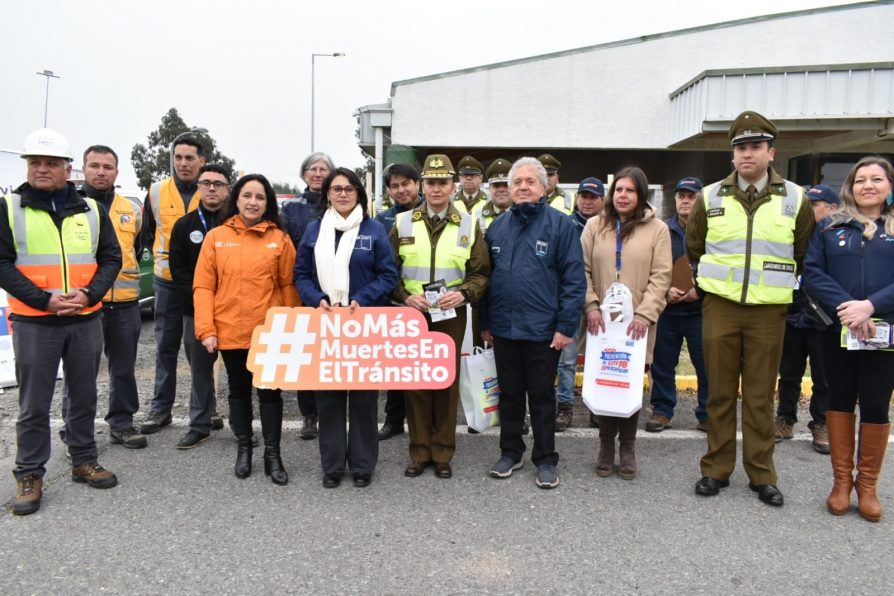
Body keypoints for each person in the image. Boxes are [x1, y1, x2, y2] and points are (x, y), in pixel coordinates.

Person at [687, 111, 815, 507]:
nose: (747, 154)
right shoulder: (709, 197)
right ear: (732, 155)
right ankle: (715, 470)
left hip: (768, 313)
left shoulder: (796, 198)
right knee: (720, 395)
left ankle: (762, 475)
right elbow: (695, 248)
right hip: (720, 307)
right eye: (740, 147)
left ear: (771, 151)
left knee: (760, 397)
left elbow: (802, 250)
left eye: (755, 146)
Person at [3, 129, 122, 516]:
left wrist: (89, 295)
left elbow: (110, 259)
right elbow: (3, 263)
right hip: (36, 319)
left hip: (85, 318)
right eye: (34, 162)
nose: (41, 169)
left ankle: (83, 459)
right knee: (34, 403)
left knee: (84, 395)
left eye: (50, 163)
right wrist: (44, 300)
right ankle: (30, 473)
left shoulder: (91, 210)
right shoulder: (10, 207)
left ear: (66, 169)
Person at [481, 157, 585, 489]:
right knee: (509, 394)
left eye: (530, 181)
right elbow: (486, 279)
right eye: (517, 182)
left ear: (543, 187)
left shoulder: (561, 225)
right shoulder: (497, 228)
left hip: (544, 331)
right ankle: (510, 452)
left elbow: (573, 280)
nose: (523, 187)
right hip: (504, 329)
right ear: (509, 189)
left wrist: (566, 327)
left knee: (542, 396)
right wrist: (486, 323)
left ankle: (545, 459)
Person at [803, 156, 894, 522]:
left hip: (884, 332)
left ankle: (867, 486)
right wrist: (848, 308)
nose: (867, 185)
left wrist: (870, 306)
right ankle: (841, 483)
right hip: (837, 331)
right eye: (860, 180)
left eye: (876, 179)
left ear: (889, 186)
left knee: (874, 405)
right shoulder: (828, 228)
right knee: (838, 400)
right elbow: (812, 273)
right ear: (850, 187)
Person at [194, 174, 300, 485]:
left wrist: (289, 327)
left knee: (270, 394)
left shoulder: (279, 239)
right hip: (229, 331)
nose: (253, 202)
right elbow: (203, 287)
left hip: (268, 332)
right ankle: (244, 448)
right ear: (236, 199)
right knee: (238, 393)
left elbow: (288, 286)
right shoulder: (216, 238)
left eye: (260, 197)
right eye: (247, 196)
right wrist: (206, 329)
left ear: (268, 203)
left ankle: (273, 454)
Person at [295, 168, 398, 488]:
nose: (342, 194)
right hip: (325, 322)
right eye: (336, 188)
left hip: (362, 322)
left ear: (359, 194)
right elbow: (300, 275)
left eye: (349, 189)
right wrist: (317, 299)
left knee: (364, 398)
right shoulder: (314, 230)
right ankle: (333, 465)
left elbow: (388, 276)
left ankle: (364, 464)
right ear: (326, 193)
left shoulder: (375, 229)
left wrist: (361, 300)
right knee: (328, 398)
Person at [391, 154, 490, 479]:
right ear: (422, 185)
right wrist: (406, 297)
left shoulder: (468, 224)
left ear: (453, 185)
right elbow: (388, 271)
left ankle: (443, 451)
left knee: (445, 382)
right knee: (416, 382)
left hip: (452, 313)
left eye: (443, 182)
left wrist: (463, 293)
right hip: (413, 314)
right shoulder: (402, 222)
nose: (436, 189)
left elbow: (480, 273)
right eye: (431, 182)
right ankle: (420, 451)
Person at [582, 167, 671, 480]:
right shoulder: (594, 226)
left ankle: (629, 446)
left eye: (630, 191)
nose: (623, 195)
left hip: (638, 323)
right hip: (601, 322)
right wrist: (591, 305)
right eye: (619, 189)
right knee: (606, 377)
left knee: (629, 380)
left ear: (641, 195)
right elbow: (581, 270)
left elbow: (662, 275)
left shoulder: (657, 229)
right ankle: (606, 446)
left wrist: (646, 314)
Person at [63, 145, 147, 450]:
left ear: (116, 171)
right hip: (84, 303)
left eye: (107, 167)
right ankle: (73, 430)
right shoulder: (69, 206)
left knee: (123, 368)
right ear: (83, 169)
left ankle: (122, 424)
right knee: (79, 371)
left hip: (124, 301)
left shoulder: (132, 209)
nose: (101, 172)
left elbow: (135, 250)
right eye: (94, 166)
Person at [141, 133, 205, 434]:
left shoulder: (211, 190)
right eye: (178, 157)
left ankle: (206, 409)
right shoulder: (155, 192)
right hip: (166, 282)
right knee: (166, 347)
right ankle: (160, 409)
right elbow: (149, 233)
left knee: (200, 350)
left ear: (201, 161)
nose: (182, 163)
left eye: (189, 158)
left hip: (201, 283)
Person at [169, 164, 230, 449]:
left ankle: (242, 426)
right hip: (196, 310)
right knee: (200, 370)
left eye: (218, 183)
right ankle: (199, 424)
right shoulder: (184, 225)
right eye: (206, 183)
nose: (212, 188)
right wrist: (201, 299)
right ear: (199, 188)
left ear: (228, 189)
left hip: (234, 311)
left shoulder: (238, 225)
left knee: (242, 372)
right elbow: (178, 270)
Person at [775, 184, 839, 453]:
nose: (808, 209)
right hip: (793, 315)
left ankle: (821, 423)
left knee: (824, 377)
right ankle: (785, 418)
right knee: (789, 373)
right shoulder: (794, 235)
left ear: (832, 208)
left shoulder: (838, 239)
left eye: (814, 205)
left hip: (824, 319)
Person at [646, 177, 709, 434]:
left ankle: (706, 413)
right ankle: (662, 411)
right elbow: (653, 267)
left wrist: (700, 290)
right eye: (681, 195)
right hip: (668, 310)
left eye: (692, 196)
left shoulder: (712, 230)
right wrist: (664, 292)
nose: (685, 200)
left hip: (700, 310)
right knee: (662, 364)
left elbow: (719, 265)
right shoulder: (662, 230)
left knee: (706, 365)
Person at [281, 152, 336, 441]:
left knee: (331, 353)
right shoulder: (290, 209)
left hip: (336, 291)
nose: (318, 173)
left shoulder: (340, 206)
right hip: (302, 290)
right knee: (306, 355)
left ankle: (332, 411)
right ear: (304, 175)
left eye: (323, 169)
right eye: (312, 169)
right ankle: (309, 414)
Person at [375, 163, 423, 441]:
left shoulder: (432, 214)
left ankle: (424, 422)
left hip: (429, 303)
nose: (401, 189)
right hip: (395, 302)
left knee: (424, 365)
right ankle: (394, 420)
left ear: (417, 184)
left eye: (406, 183)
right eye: (394, 186)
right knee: (396, 366)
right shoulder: (382, 221)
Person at [555, 177, 605, 432]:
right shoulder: (566, 225)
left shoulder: (610, 226)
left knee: (598, 357)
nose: (587, 201)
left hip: (602, 300)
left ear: (602, 200)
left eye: (593, 197)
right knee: (567, 358)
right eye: (584, 196)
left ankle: (598, 408)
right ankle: (565, 407)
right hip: (572, 298)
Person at [475, 158, 513, 234]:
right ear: (489, 188)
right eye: (496, 185)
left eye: (506, 185)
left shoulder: (525, 215)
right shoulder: (476, 217)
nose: (501, 190)